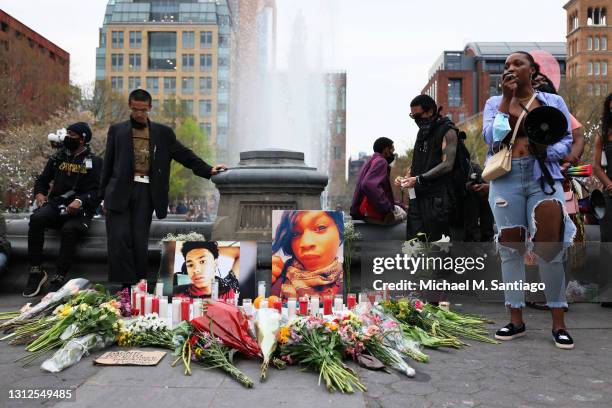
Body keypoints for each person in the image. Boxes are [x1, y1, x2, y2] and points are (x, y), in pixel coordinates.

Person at [483, 51, 576, 349]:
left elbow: (567, 142)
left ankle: (558, 323)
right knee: (511, 248)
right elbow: (492, 138)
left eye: (517, 64)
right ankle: (516, 320)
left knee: (550, 248)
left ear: (532, 71)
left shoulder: (552, 102)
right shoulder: (493, 104)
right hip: (506, 179)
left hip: (542, 178)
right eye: (507, 65)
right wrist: (505, 100)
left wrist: (545, 152)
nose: (510, 68)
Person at [100, 89, 226, 286]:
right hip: (118, 191)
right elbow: (107, 164)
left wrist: (208, 169)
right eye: (135, 109)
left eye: (143, 110)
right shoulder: (117, 130)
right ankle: (120, 287)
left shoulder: (162, 133)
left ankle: (138, 284)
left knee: (139, 239)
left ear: (150, 107)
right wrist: (102, 196)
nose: (139, 114)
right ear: (129, 107)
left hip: (146, 192)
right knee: (118, 238)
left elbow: (184, 155)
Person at [24, 122, 103, 297]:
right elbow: (42, 180)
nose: (68, 138)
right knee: (36, 218)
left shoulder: (95, 162)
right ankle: (36, 272)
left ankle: (59, 277)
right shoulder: (58, 158)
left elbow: (97, 191)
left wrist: (80, 202)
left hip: (80, 211)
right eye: (67, 134)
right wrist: (39, 194)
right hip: (56, 205)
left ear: (83, 139)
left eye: (72, 135)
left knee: (69, 229)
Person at [399, 94, 458, 241]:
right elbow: (418, 163)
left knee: (438, 250)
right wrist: (407, 177)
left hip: (437, 201)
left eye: (418, 115)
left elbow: (447, 164)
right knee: (414, 247)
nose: (416, 120)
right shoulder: (422, 133)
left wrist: (419, 179)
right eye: (413, 117)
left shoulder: (447, 130)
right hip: (416, 200)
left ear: (430, 111)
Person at [271, 210, 344, 299]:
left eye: (320, 227)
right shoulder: (274, 280)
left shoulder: (358, 280)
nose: (306, 243)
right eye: (295, 233)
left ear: (340, 231)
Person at [350, 137, 406, 224]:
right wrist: (386, 208)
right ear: (386, 150)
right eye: (392, 150)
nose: (393, 153)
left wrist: (396, 204)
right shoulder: (381, 161)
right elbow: (368, 184)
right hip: (371, 212)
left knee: (399, 208)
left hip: (360, 211)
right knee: (405, 214)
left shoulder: (370, 161)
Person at [593, 93, 612, 309]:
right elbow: (596, 167)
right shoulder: (603, 135)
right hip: (610, 193)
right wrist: (609, 185)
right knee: (608, 242)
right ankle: (607, 294)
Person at [173, 241, 239, 300]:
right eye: (190, 265)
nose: (196, 270)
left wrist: (210, 249)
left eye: (202, 261)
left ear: (215, 264)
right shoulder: (177, 295)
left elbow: (240, 252)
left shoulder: (228, 288)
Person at [463, 161, 494, 242]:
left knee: (484, 195)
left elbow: (485, 182)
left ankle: (487, 237)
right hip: (462, 205)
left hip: (479, 204)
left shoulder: (474, 167)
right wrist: (469, 187)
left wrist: (482, 188)